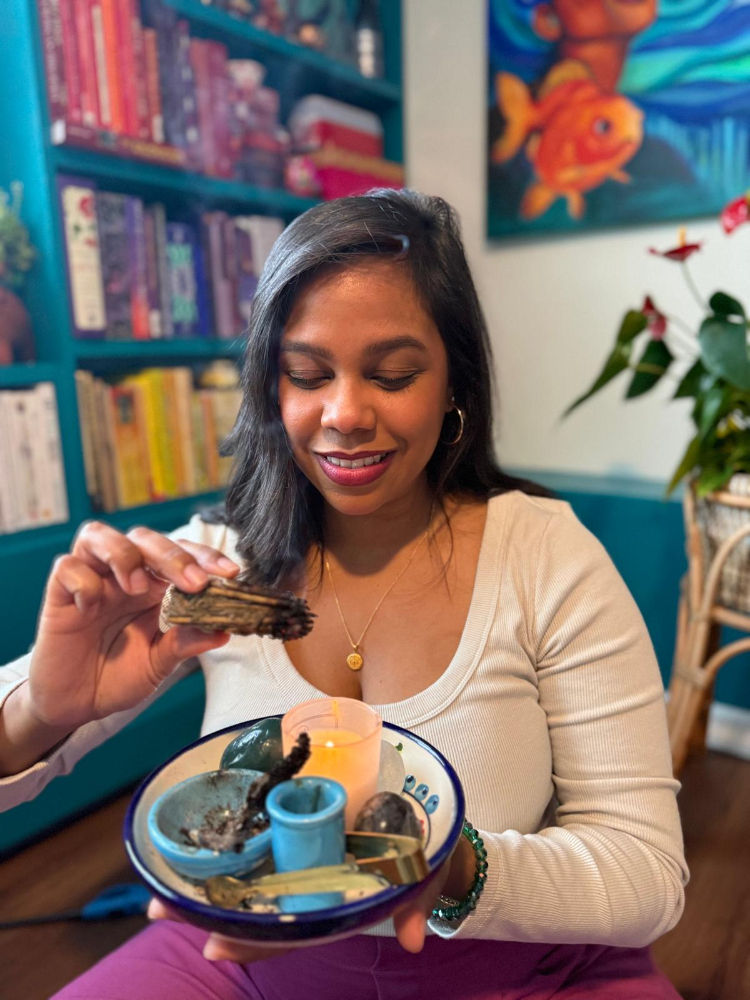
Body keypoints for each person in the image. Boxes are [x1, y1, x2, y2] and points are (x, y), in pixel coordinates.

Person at [0, 188, 687, 999]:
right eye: (307, 374)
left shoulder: (546, 556)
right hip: (248, 970)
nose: (345, 413)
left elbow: (647, 874)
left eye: (393, 374)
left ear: (454, 382)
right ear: (272, 388)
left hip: (516, 972)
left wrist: (455, 869)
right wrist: (44, 709)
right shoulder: (215, 570)